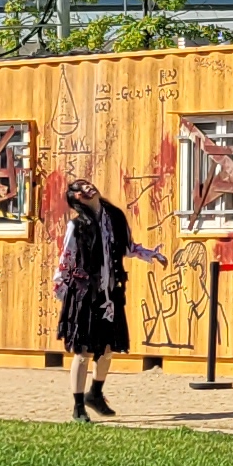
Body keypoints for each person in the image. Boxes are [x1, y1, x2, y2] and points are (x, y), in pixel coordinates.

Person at [54, 176, 150, 421]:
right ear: (77, 198)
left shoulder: (115, 217)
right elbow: (66, 257)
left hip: (111, 292)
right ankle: (78, 406)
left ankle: (95, 394)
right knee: (83, 351)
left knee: (107, 349)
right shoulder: (76, 226)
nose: (88, 187)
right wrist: (60, 286)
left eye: (87, 184)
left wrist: (150, 254)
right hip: (85, 292)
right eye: (80, 188)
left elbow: (128, 247)